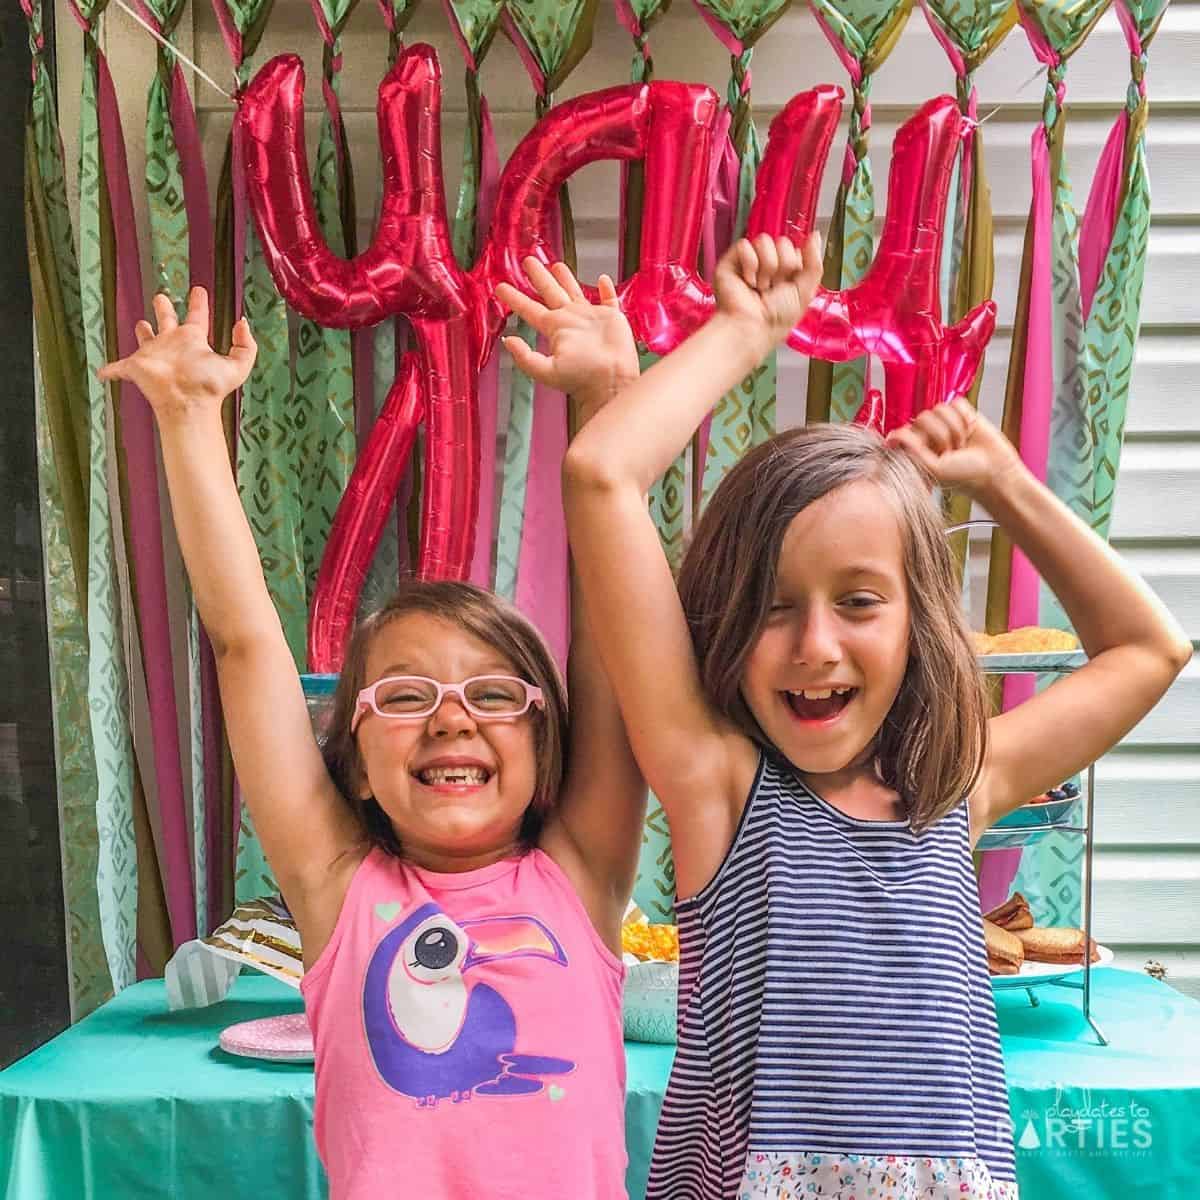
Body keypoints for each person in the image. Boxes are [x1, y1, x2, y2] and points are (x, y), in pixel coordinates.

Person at [500, 233, 1192, 1199]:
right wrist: (745, 331)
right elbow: (603, 475)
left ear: (921, 623)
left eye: (860, 602)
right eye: (774, 605)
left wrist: (1004, 484)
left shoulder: (955, 791)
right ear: (727, 621)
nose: (815, 644)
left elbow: (1151, 650)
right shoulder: (719, 787)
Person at [98, 280, 647, 1200]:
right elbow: (244, 646)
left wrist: (603, 403)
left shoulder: (582, 869)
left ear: (549, 738)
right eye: (403, 695)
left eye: (491, 692)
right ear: (351, 764)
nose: (450, 716)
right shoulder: (340, 889)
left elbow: (615, 645)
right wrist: (189, 421)